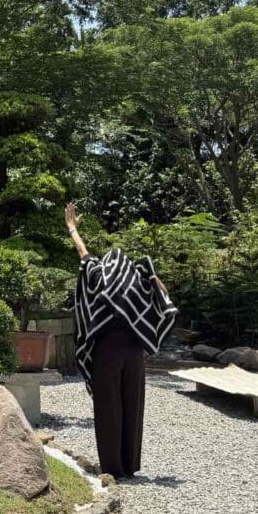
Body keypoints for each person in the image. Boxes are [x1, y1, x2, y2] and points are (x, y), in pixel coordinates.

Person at [64, 203, 177, 478]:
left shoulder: (99, 276)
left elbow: (84, 253)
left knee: (108, 406)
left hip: (107, 350)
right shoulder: (137, 279)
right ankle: (129, 465)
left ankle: (112, 467)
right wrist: (150, 272)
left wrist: (72, 228)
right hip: (135, 351)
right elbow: (163, 295)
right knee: (132, 405)